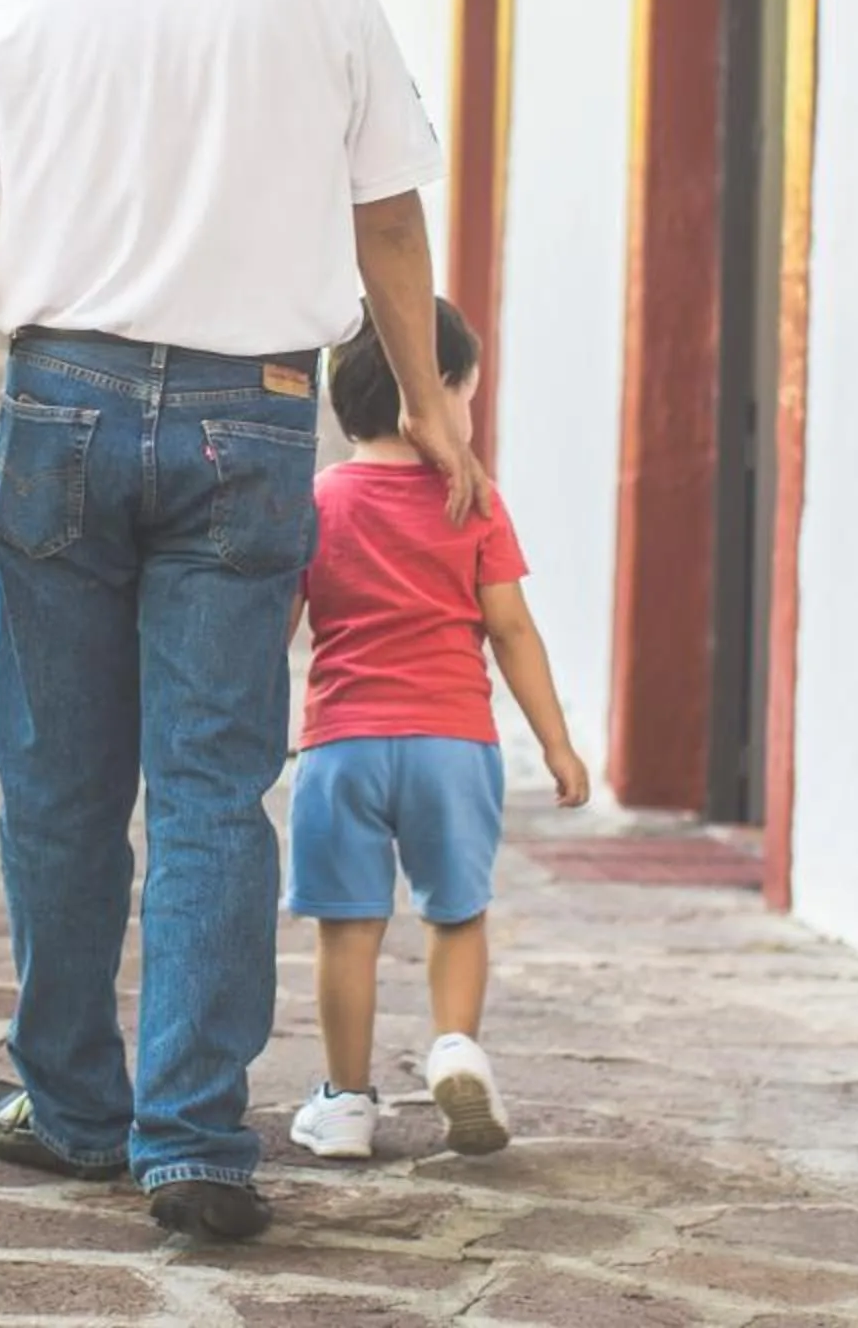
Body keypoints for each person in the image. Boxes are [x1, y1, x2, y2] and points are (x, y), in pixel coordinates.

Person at [0, 0, 489, 1242]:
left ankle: (74, 1107)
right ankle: (197, 1140)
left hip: (61, 406)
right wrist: (423, 396)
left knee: (60, 780)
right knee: (219, 780)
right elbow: (389, 210)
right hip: (255, 413)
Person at [284, 299, 590, 1164]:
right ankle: (455, 1047)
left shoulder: (317, 501)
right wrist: (557, 744)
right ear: (440, 390)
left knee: (346, 926)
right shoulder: (473, 501)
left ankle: (345, 1103)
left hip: (341, 744)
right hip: (453, 746)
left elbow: (276, 624)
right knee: (456, 914)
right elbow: (513, 630)